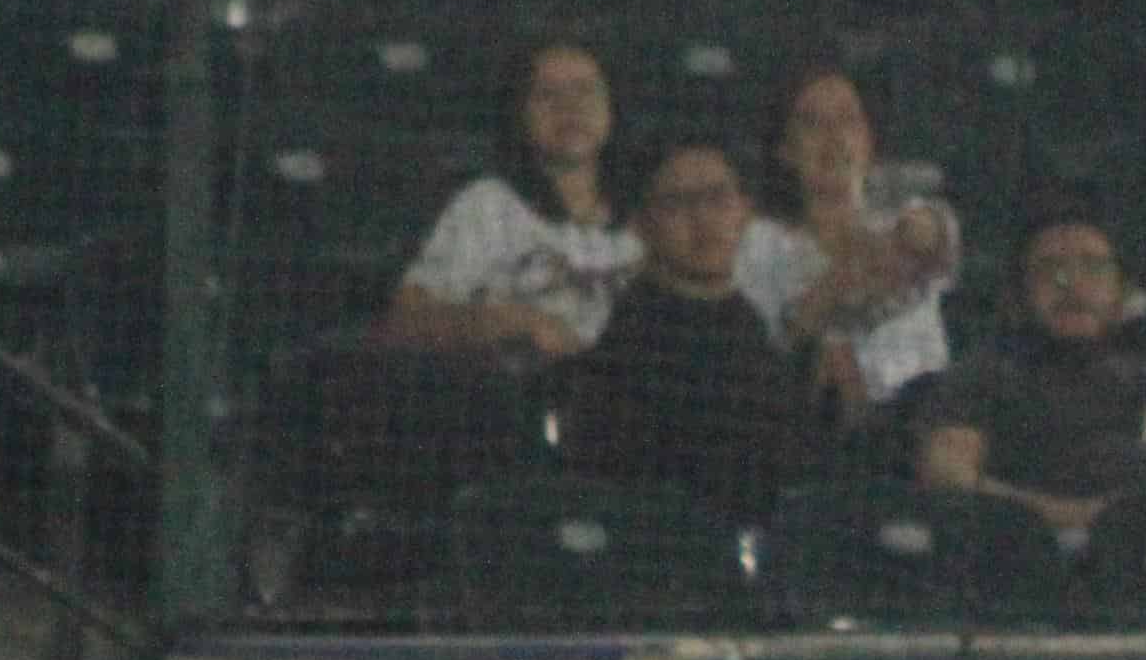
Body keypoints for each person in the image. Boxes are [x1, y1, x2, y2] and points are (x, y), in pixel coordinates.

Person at [911, 198, 1146, 546]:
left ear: (1123, 289)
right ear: (1020, 293)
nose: (1072, 284)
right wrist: (1087, 521)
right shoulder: (979, 375)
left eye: (1093, 266)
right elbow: (949, 482)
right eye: (1049, 268)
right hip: (1017, 562)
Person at [553, 137, 824, 526]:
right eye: (678, 203)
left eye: (718, 197)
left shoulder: (748, 323)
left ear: (746, 210)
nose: (703, 219)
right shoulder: (631, 342)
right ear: (641, 224)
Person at [378, 37, 638, 362]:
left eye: (585, 90)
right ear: (520, 113)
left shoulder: (657, 203)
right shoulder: (487, 205)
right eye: (546, 94)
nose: (569, 107)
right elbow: (404, 323)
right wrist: (507, 321)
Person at [735, 63, 961, 425]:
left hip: (918, 424)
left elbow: (935, 236)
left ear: (869, 141)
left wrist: (911, 233)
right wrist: (839, 280)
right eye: (812, 123)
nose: (834, 136)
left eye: (848, 120)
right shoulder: (757, 243)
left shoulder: (908, 218)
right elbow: (760, 355)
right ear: (784, 150)